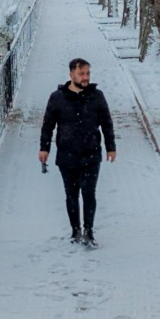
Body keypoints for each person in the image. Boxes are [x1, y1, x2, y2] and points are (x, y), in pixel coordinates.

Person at [38, 57, 117, 245]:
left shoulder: (97, 96)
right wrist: (44, 148)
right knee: (71, 195)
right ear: (71, 74)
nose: (85, 77)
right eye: (82, 73)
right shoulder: (57, 98)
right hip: (67, 156)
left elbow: (106, 123)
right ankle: (75, 230)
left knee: (89, 194)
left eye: (88, 73)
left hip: (91, 154)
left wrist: (111, 147)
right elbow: (48, 125)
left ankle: (89, 230)